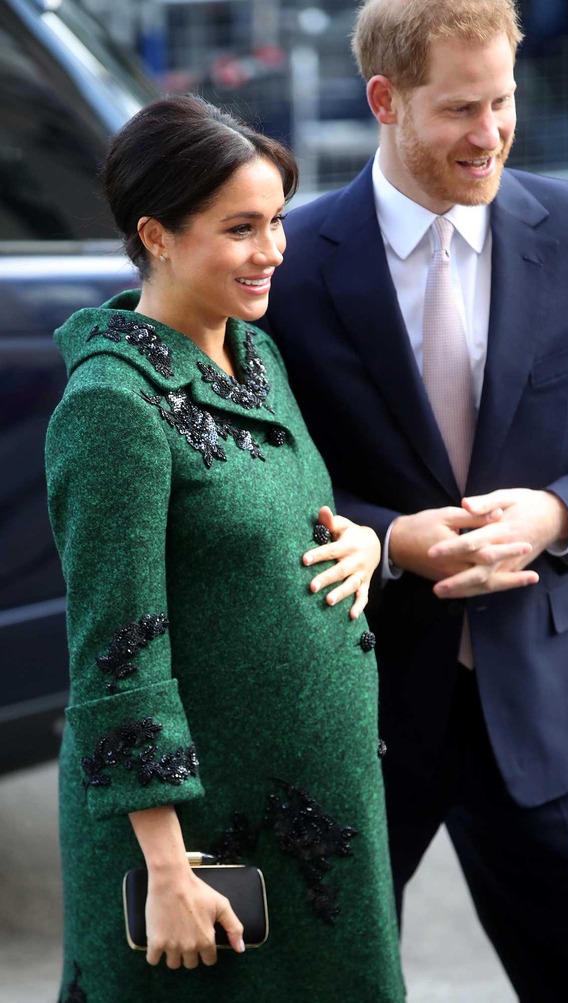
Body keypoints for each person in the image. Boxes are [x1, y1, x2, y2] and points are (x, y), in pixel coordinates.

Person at [262, 1, 568, 1000]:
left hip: (540, 708)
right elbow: (255, 472)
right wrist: (390, 543)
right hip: (355, 711)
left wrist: (561, 513)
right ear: (385, 101)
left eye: (504, 101)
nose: (491, 133)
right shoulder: (289, 265)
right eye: (460, 109)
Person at [45, 94, 405, 1003]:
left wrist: (359, 541)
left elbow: (275, 523)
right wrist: (167, 870)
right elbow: (114, 652)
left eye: (277, 220)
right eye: (241, 228)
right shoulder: (111, 408)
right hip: (204, 845)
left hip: (319, 821)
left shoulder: (253, 353)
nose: (274, 250)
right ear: (156, 234)